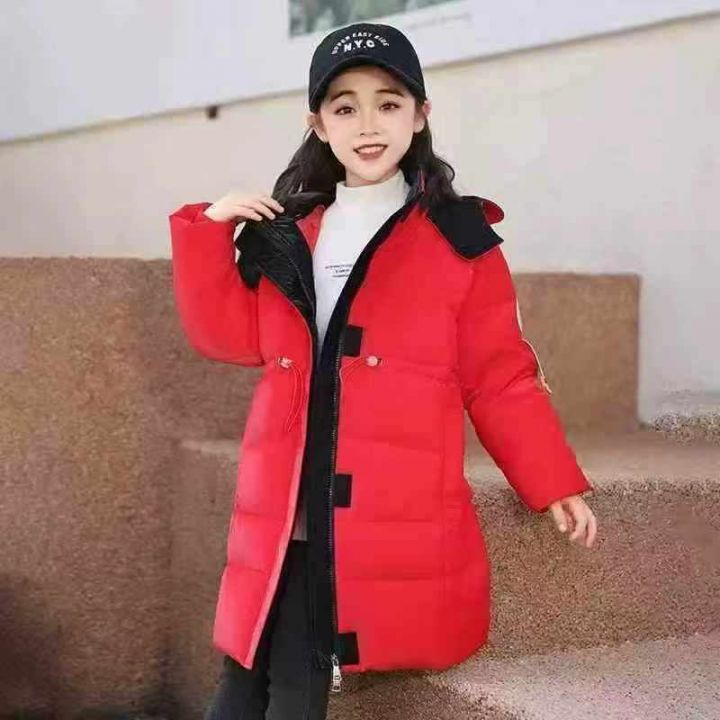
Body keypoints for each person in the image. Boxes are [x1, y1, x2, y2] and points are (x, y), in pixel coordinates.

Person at [169, 20, 598, 720]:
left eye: (388, 103)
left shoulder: (458, 238)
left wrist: (551, 480)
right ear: (318, 124)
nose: (367, 124)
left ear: (420, 114)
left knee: (293, 682)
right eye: (344, 107)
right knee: (240, 677)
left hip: (374, 509)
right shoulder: (290, 230)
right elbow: (229, 337)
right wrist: (208, 231)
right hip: (282, 504)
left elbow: (499, 375)